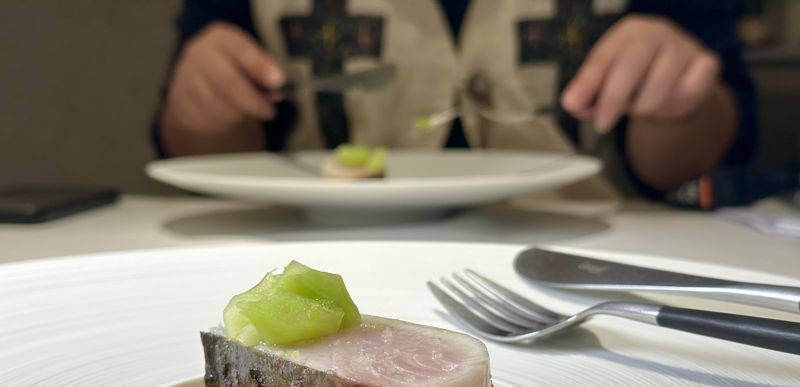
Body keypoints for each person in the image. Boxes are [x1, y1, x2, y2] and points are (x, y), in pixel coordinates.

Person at [153, 0, 756, 199]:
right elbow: (196, 144)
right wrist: (201, 103)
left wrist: (678, 104)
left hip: (585, 244)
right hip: (300, 244)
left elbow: (700, 160)